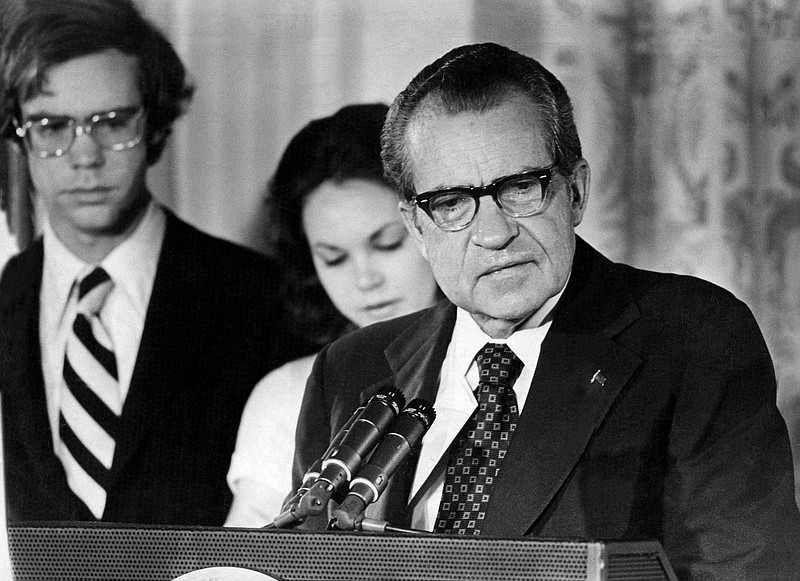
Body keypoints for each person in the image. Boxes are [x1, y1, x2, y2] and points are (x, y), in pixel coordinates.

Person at [292, 43, 800, 579]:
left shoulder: (692, 337)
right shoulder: (350, 370)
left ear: (575, 192)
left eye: (519, 189)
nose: (494, 233)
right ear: (418, 227)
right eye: (450, 203)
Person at [0, 0, 308, 525]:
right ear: (18, 136)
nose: (85, 156)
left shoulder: (259, 297)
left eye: (113, 121)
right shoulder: (5, 295)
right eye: (52, 126)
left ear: (157, 126)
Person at [225, 104, 440, 527]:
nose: (365, 280)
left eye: (387, 244)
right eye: (334, 258)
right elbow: (242, 564)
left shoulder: (496, 373)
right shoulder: (287, 395)